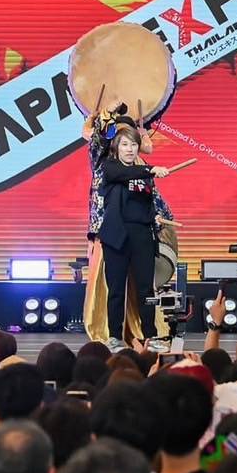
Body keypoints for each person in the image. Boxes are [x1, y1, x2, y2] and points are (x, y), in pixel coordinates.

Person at [82, 109, 173, 344]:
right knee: (116, 290)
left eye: (133, 144)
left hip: (141, 236)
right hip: (115, 237)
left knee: (146, 290)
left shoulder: (143, 174)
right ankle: (114, 336)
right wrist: (151, 170)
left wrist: (156, 217)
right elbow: (123, 172)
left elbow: (147, 203)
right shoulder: (109, 167)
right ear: (116, 147)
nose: (130, 149)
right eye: (124, 144)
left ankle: (150, 335)